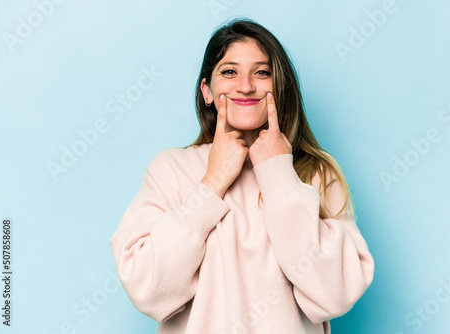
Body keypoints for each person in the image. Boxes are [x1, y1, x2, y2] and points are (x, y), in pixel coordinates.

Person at [110, 17, 374, 334]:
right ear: (207, 90)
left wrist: (278, 174)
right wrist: (212, 183)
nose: (246, 86)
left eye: (261, 72)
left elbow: (334, 295)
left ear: (279, 87)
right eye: (229, 71)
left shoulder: (316, 172)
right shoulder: (170, 169)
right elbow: (147, 288)